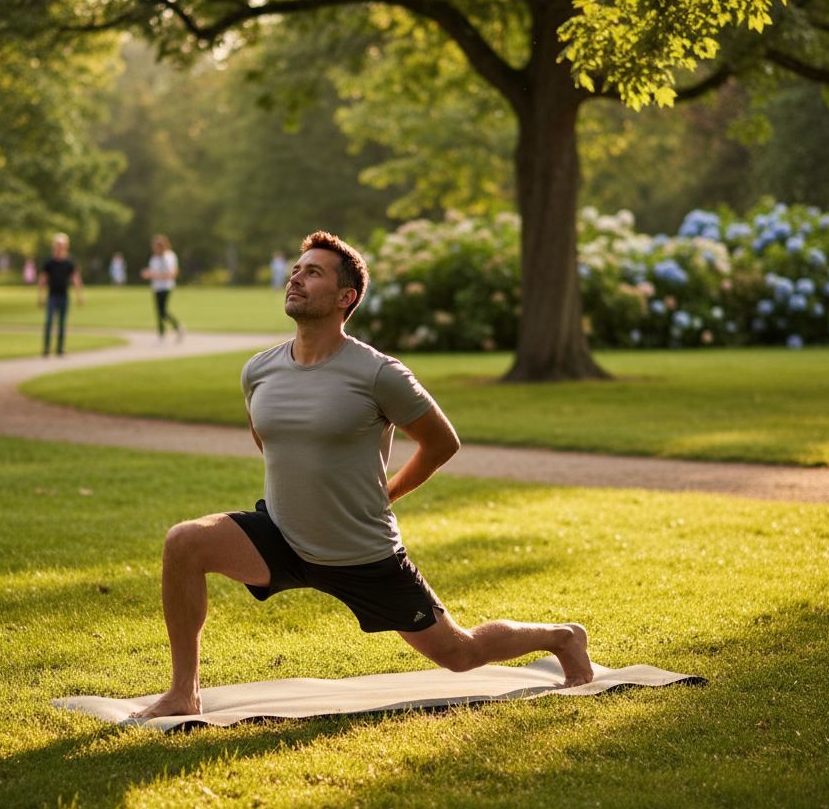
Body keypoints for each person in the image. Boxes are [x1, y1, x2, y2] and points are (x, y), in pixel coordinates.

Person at [129, 231, 593, 720]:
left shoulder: (378, 373)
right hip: (283, 537)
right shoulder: (259, 371)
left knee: (460, 654)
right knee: (184, 543)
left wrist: (388, 492)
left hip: (363, 552)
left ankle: (562, 636)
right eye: (296, 269)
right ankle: (184, 691)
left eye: (314, 273)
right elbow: (270, 440)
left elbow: (442, 443)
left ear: (345, 297)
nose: (296, 279)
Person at [37, 233, 83, 356]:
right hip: (52, 296)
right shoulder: (49, 261)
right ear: (54, 246)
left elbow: (75, 278)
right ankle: (46, 348)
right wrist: (40, 296)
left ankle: (60, 348)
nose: (60, 247)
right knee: (49, 322)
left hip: (64, 296)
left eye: (62, 245)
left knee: (62, 323)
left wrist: (79, 295)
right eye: (58, 244)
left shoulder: (69, 261)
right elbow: (43, 278)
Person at [140, 234, 184, 340]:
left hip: (166, 287)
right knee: (159, 312)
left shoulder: (168, 257)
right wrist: (148, 274)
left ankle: (176, 326)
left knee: (163, 312)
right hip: (156, 287)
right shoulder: (154, 258)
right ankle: (162, 333)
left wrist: (153, 275)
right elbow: (153, 271)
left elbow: (171, 274)